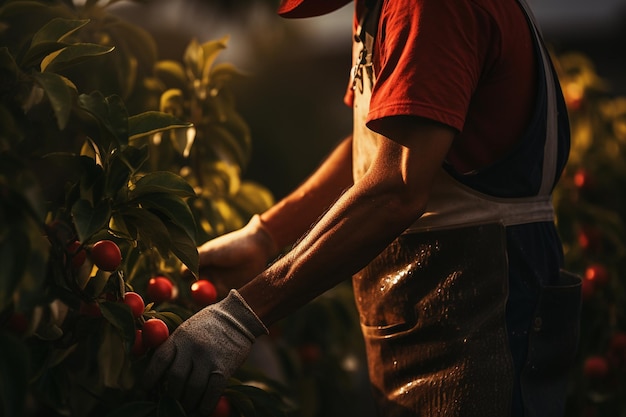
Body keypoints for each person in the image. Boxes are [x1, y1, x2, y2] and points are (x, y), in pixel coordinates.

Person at [145, 0, 583, 415]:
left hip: (485, 313)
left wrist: (239, 317)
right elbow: (381, 147)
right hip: (443, 319)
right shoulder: (386, 6)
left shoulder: (430, 8)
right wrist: (266, 235)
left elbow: (397, 187)